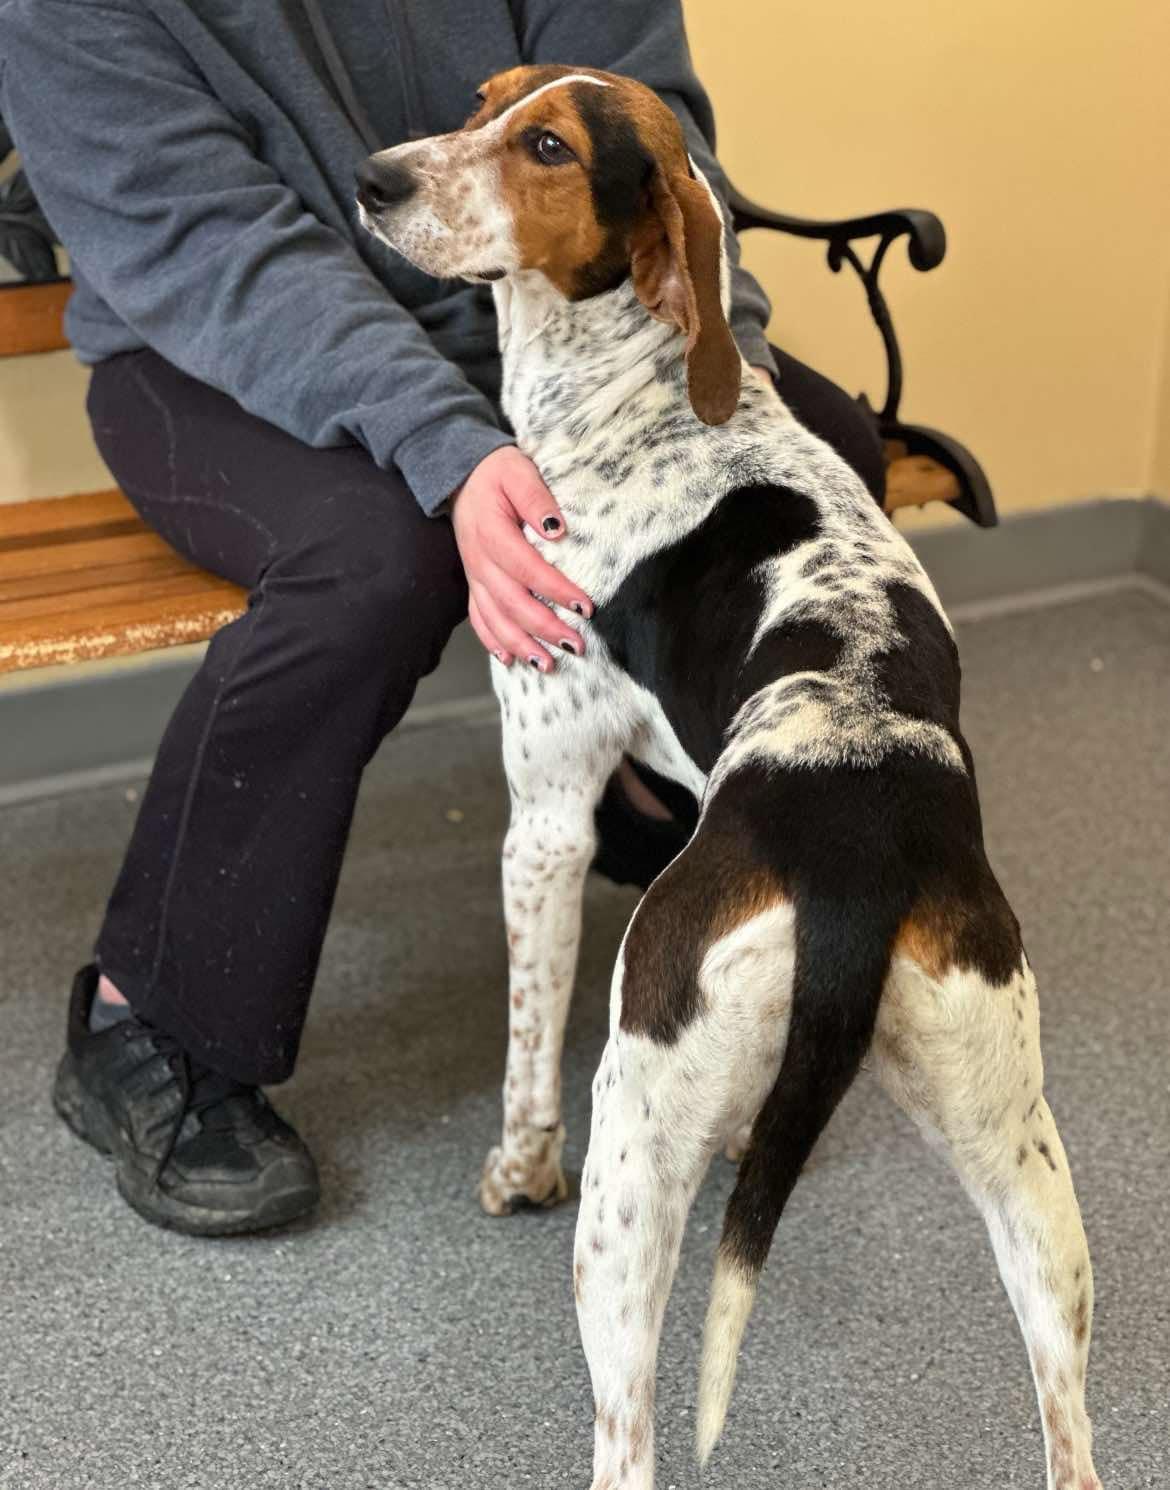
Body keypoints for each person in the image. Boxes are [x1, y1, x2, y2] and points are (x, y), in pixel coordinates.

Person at [0, 1, 885, 1236]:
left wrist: (710, 365)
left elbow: (653, 133)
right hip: (213, 347)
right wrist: (449, 449)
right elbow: (212, 247)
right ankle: (150, 1013)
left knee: (821, 455)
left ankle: (659, 808)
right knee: (378, 556)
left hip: (534, 315)